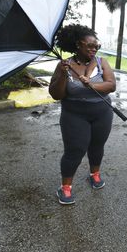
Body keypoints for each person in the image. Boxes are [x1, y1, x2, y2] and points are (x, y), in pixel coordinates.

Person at [49, 24, 116, 205]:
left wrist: (91, 84)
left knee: (97, 146)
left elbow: (111, 85)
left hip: (102, 113)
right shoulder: (64, 65)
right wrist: (63, 75)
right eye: (90, 46)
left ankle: (94, 174)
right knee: (75, 150)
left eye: (97, 46)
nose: (94, 49)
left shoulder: (102, 62)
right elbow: (56, 94)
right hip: (74, 114)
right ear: (78, 44)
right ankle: (65, 187)